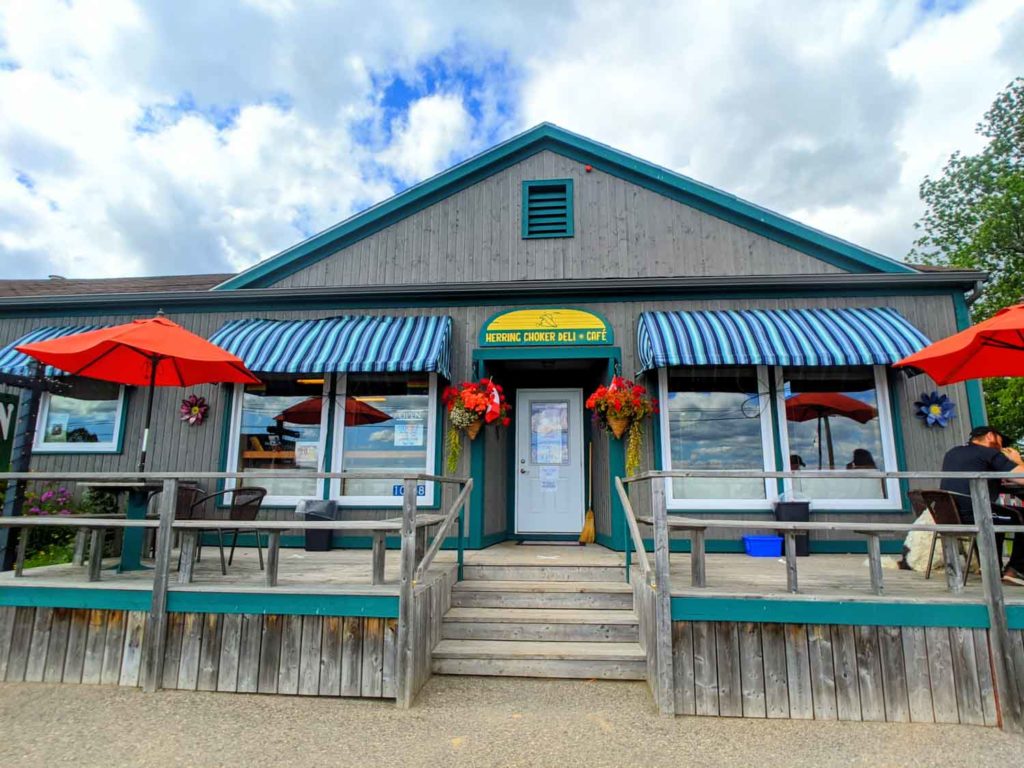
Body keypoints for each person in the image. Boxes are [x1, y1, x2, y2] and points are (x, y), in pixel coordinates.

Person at [940, 425, 1024, 585]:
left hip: (952, 514)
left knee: (1001, 514)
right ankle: (1016, 570)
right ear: (991, 436)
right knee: (1017, 516)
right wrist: (1017, 460)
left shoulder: (953, 452)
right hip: (977, 514)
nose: (1002, 447)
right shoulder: (989, 453)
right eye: (1001, 441)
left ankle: (991, 567)